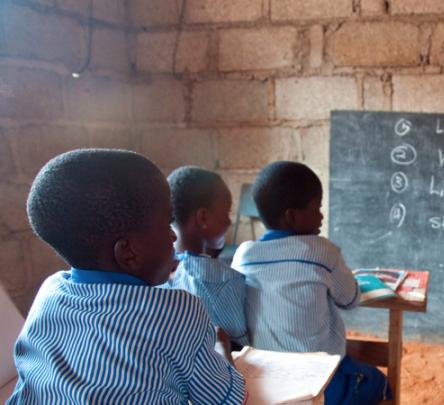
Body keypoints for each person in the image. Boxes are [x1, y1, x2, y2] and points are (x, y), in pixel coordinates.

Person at [8, 149, 246, 404]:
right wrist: (222, 350)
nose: (173, 236)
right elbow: (227, 400)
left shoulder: (48, 293)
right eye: (167, 225)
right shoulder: (178, 312)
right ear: (129, 252)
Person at [232, 160, 391, 404]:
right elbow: (349, 299)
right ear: (292, 217)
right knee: (380, 385)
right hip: (321, 383)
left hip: (266, 385)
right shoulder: (322, 252)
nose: (321, 215)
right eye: (316, 207)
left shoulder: (243, 255)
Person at [165, 166, 248, 359]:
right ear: (203, 218)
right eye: (226, 213)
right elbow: (243, 346)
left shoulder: (159, 273)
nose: (229, 222)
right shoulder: (225, 280)